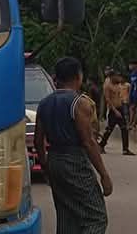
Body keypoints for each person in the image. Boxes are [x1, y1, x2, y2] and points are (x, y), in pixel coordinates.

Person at [35, 57, 111, 234]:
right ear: (78, 76)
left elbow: (39, 141)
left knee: (66, 215)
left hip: (54, 159)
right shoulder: (79, 102)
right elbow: (88, 142)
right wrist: (104, 174)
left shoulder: (44, 103)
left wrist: (46, 166)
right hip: (74, 160)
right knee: (96, 217)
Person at [99, 70, 135, 155]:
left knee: (124, 128)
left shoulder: (117, 83)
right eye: (116, 76)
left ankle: (125, 149)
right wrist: (115, 111)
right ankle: (101, 145)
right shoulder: (107, 85)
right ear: (112, 76)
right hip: (113, 109)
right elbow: (108, 99)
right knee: (110, 129)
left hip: (120, 107)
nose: (118, 78)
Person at [128, 60, 137, 130]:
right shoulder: (132, 74)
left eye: (131, 65)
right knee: (131, 108)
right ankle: (131, 122)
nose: (129, 66)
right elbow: (131, 84)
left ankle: (134, 123)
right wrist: (129, 94)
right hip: (133, 92)